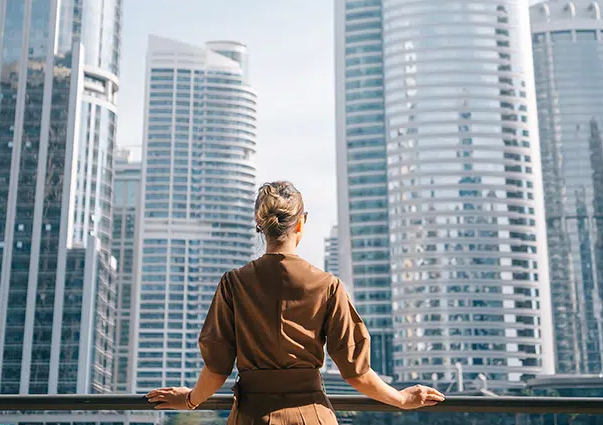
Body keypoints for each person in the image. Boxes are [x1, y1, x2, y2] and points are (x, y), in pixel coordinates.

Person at [147, 181, 445, 423]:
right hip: (313, 416)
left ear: (259, 225)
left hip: (252, 417)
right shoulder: (328, 285)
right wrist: (402, 399)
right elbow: (357, 372)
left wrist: (189, 400)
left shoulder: (233, 284)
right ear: (300, 224)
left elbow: (217, 369)